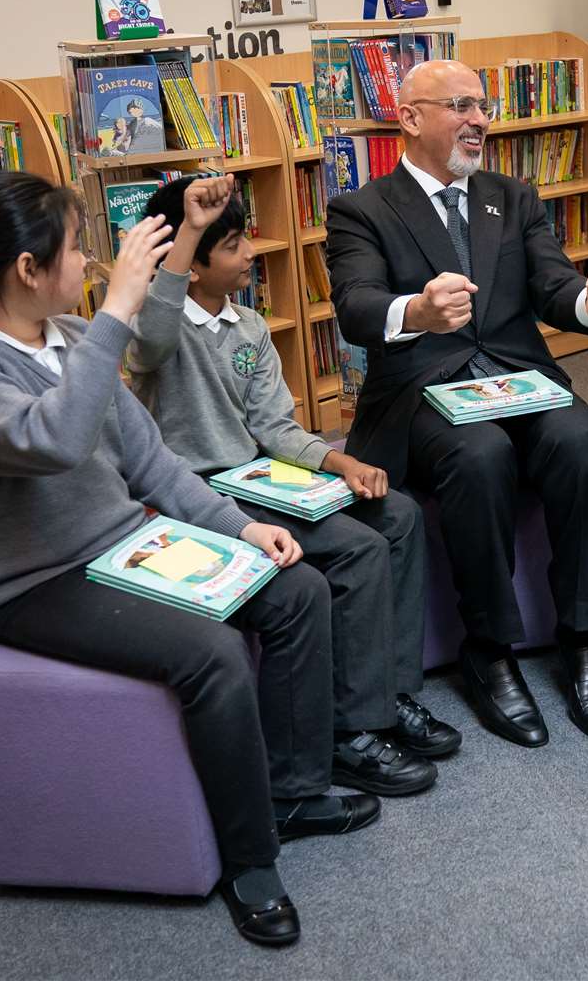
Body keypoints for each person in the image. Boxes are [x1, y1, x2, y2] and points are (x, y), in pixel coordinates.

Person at [0, 171, 377, 947]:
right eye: (73, 250)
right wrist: (119, 312)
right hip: (33, 582)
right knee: (213, 654)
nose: (90, 264)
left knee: (295, 589)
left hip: (123, 544)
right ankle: (249, 860)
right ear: (28, 270)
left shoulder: (63, 338)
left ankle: (292, 792)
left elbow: (153, 464)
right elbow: (54, 441)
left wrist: (238, 529)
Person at [326, 60, 588, 747]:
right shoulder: (362, 208)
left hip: (518, 376)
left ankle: (579, 634)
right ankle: (488, 648)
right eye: (461, 105)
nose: (480, 120)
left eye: (483, 105)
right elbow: (355, 307)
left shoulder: (511, 194)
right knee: (481, 453)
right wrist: (418, 310)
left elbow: (553, 285)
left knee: (581, 439)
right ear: (409, 118)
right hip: (422, 388)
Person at [127, 173, 455, 799]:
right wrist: (188, 233)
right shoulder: (153, 322)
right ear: (190, 267)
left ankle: (391, 692)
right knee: (356, 549)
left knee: (399, 516)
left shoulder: (250, 327)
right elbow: (153, 340)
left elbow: (275, 427)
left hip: (263, 477)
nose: (250, 253)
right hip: (202, 494)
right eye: (232, 246)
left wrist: (338, 464)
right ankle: (350, 733)